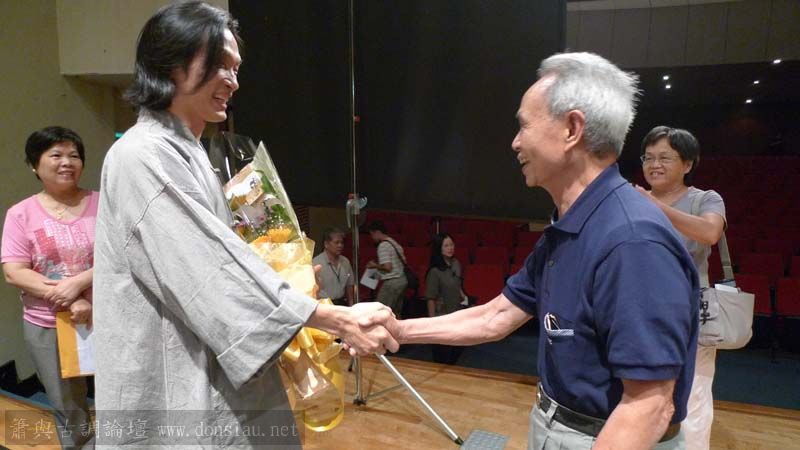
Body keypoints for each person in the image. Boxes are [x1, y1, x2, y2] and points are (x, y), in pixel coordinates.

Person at [92, 2, 397, 447]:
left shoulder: (188, 151)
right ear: (171, 64)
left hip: (212, 360)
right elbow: (207, 273)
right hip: (176, 370)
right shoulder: (143, 154)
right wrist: (331, 318)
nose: (233, 81)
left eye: (236, 69)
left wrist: (291, 283)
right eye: (220, 65)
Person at [359, 52, 699, 450]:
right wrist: (398, 330)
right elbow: (497, 316)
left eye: (523, 125)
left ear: (572, 129)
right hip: (559, 424)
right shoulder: (572, 224)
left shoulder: (632, 241)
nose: (515, 142)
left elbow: (649, 406)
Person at [2, 126, 95, 449]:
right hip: (48, 324)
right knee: (67, 404)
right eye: (56, 155)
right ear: (34, 164)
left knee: (124, 392)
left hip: (107, 317)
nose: (67, 162)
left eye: (74, 155)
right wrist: (71, 300)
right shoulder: (20, 214)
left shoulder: (103, 203)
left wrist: (79, 284)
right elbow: (15, 272)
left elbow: (123, 257)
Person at [636, 126, 726, 450]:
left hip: (690, 313)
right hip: (639, 309)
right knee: (639, 390)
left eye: (665, 158)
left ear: (687, 164)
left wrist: (654, 206)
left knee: (693, 396)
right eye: (648, 158)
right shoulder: (633, 199)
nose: (654, 165)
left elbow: (710, 233)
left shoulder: (705, 198)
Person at [424, 233, 468, 364]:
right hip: (442, 316)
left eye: (452, 244)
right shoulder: (434, 271)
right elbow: (431, 298)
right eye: (446, 246)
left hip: (457, 313)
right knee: (442, 355)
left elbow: (457, 283)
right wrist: (431, 322)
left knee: (457, 350)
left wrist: (463, 296)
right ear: (439, 248)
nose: (450, 248)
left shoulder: (456, 263)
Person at [365, 221, 408, 318]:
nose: (372, 238)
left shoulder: (383, 246)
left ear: (377, 232)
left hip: (392, 282)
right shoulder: (394, 243)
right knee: (396, 313)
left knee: (380, 312)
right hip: (402, 280)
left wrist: (374, 266)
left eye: (372, 234)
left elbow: (388, 267)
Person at [312, 227, 355, 306]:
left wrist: (351, 305)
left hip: (342, 303)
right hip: (324, 305)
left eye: (342, 243)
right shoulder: (316, 263)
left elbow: (349, 285)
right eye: (336, 242)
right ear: (326, 244)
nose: (340, 245)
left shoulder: (345, 261)